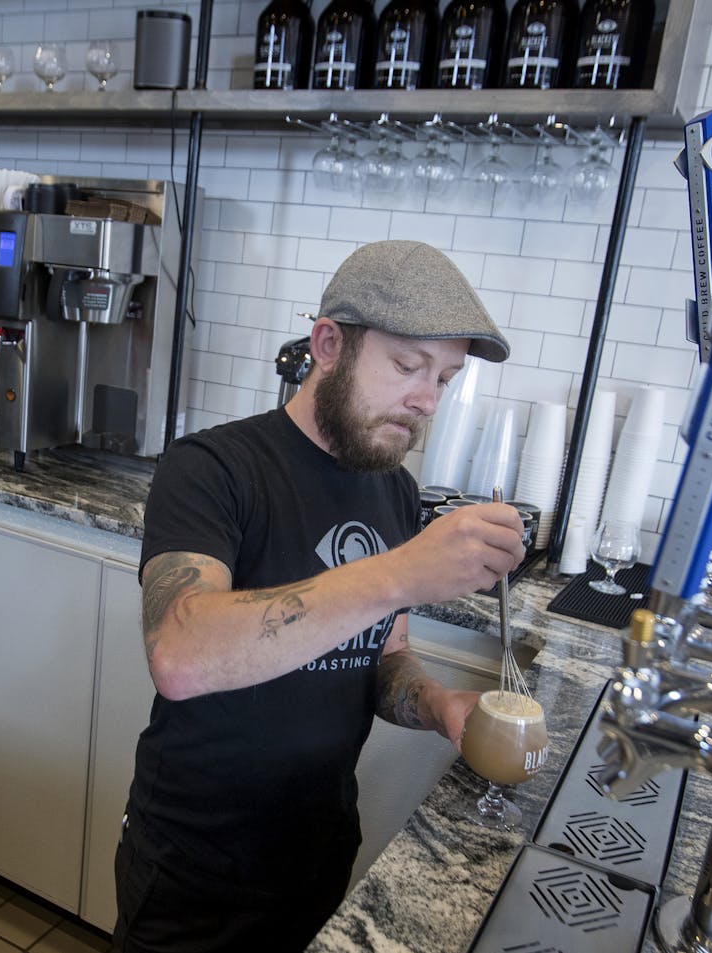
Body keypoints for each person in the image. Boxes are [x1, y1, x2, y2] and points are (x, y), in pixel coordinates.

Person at [114, 240, 527, 953]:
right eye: (406, 366)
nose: (426, 399)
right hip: (196, 872)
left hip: (318, 858)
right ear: (329, 344)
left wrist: (441, 707)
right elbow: (178, 653)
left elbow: (383, 655)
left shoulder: (393, 490)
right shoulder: (213, 468)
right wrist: (403, 571)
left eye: (445, 378)